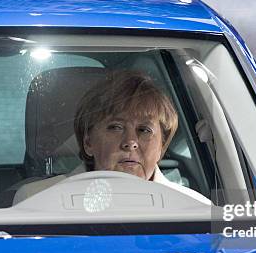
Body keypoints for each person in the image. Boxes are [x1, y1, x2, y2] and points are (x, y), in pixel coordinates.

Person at [14, 70, 211, 204]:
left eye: (144, 130)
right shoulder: (36, 199)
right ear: (88, 142)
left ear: (161, 147)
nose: (130, 142)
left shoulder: (195, 208)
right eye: (116, 127)